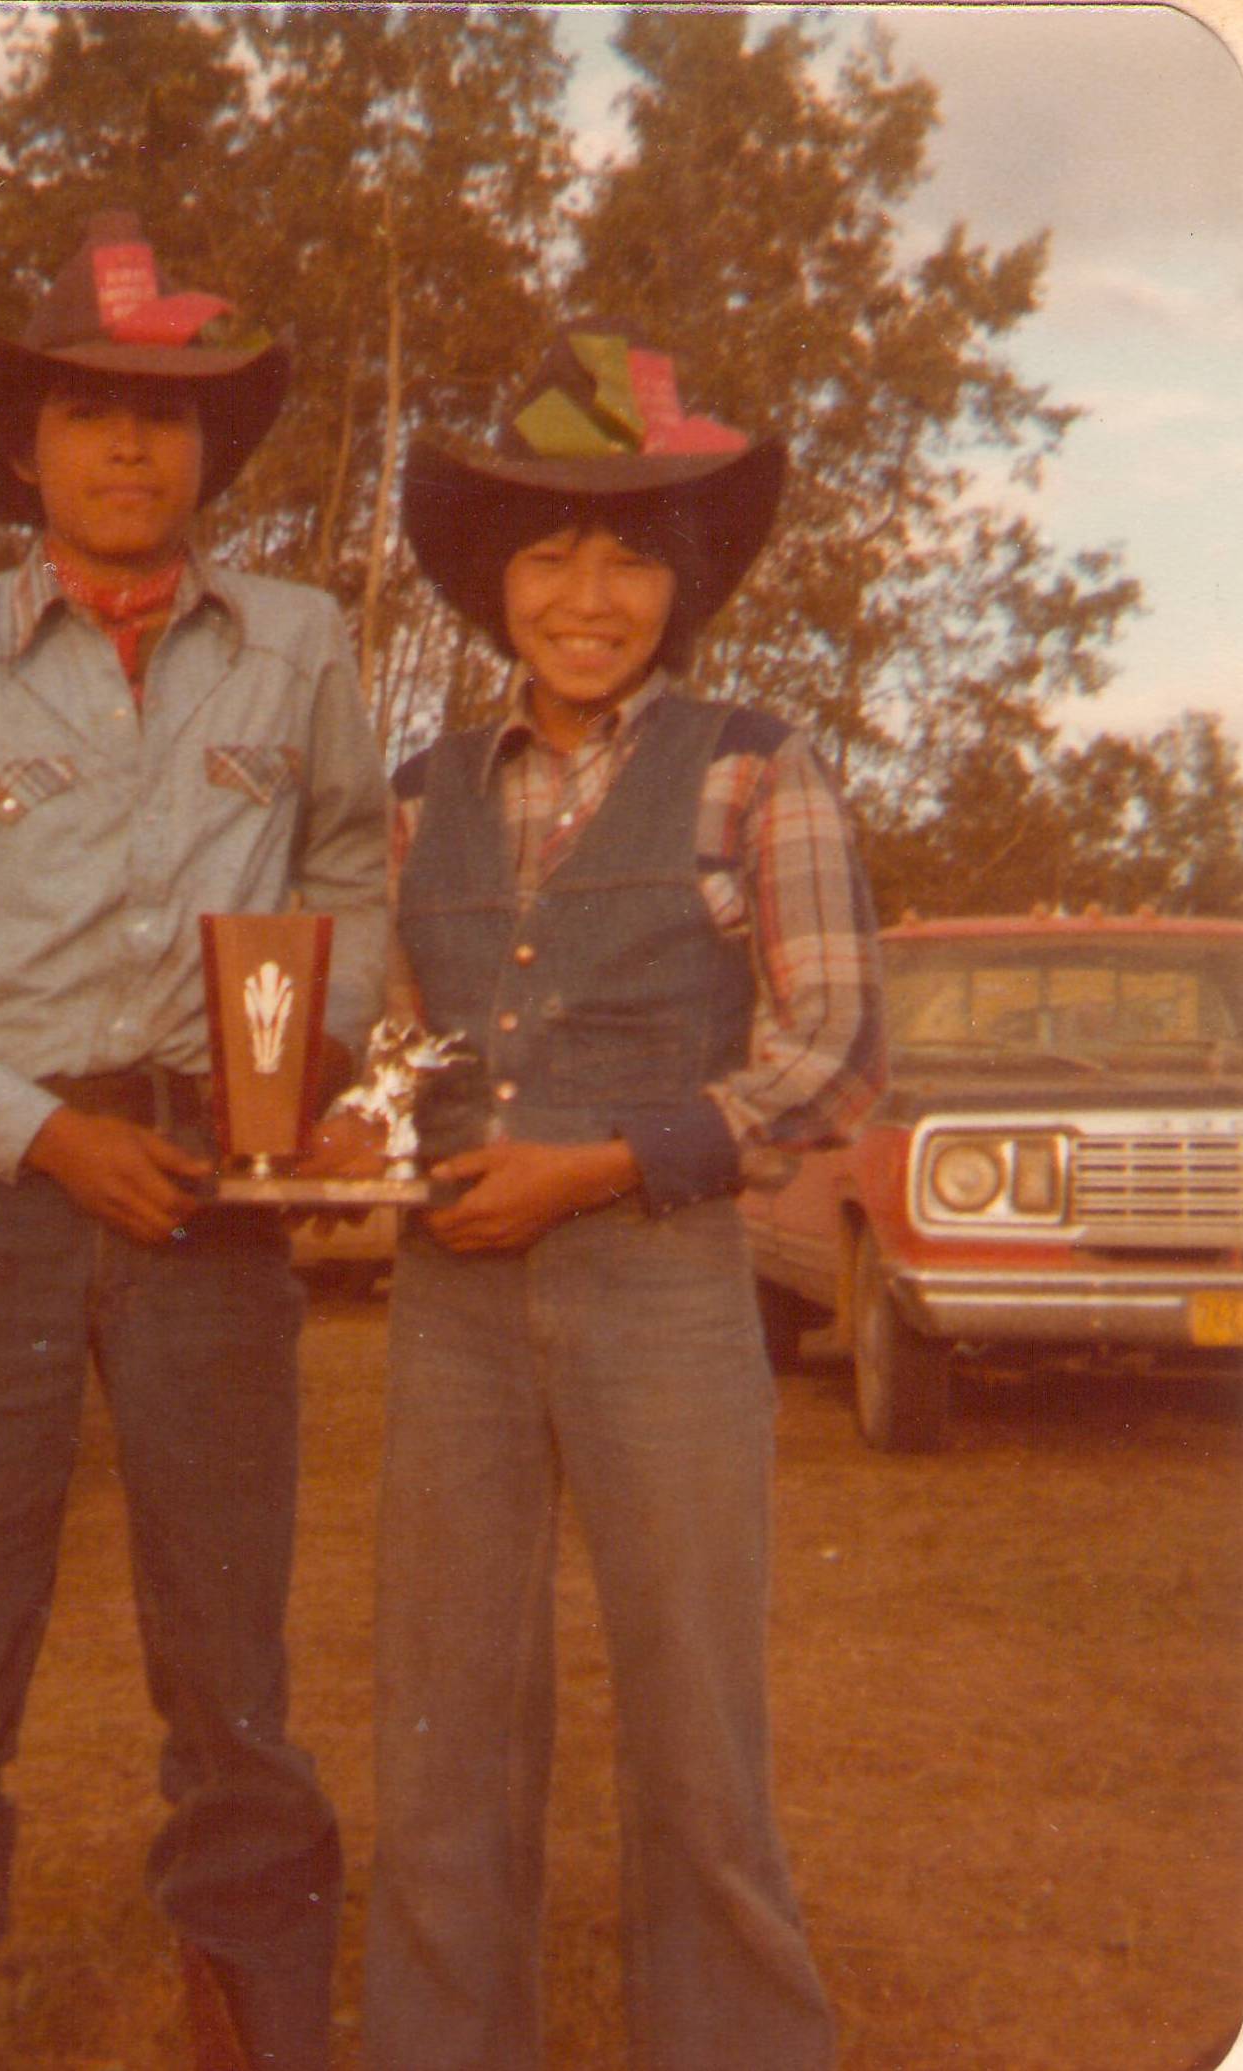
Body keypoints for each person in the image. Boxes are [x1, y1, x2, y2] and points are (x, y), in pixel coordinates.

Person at [0, 211, 388, 2071]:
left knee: (234, 1680)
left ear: (211, 449)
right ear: (24, 448)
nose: (133, 448)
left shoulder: (295, 645)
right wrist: (47, 1142)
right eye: (90, 413)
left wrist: (307, 1051)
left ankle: (257, 2015)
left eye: (172, 414)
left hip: (218, 1204)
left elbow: (354, 866)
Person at [352, 329, 885, 2071]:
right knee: (445, 1732)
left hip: (661, 1286)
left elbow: (834, 1057)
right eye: (550, 552)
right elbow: (392, 1045)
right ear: (494, 581)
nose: (590, 593)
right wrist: (374, 1137)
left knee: (696, 1736)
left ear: (683, 580)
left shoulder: (755, 768)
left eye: (632, 554)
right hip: (453, 1305)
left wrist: (598, 1164)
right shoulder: (417, 796)